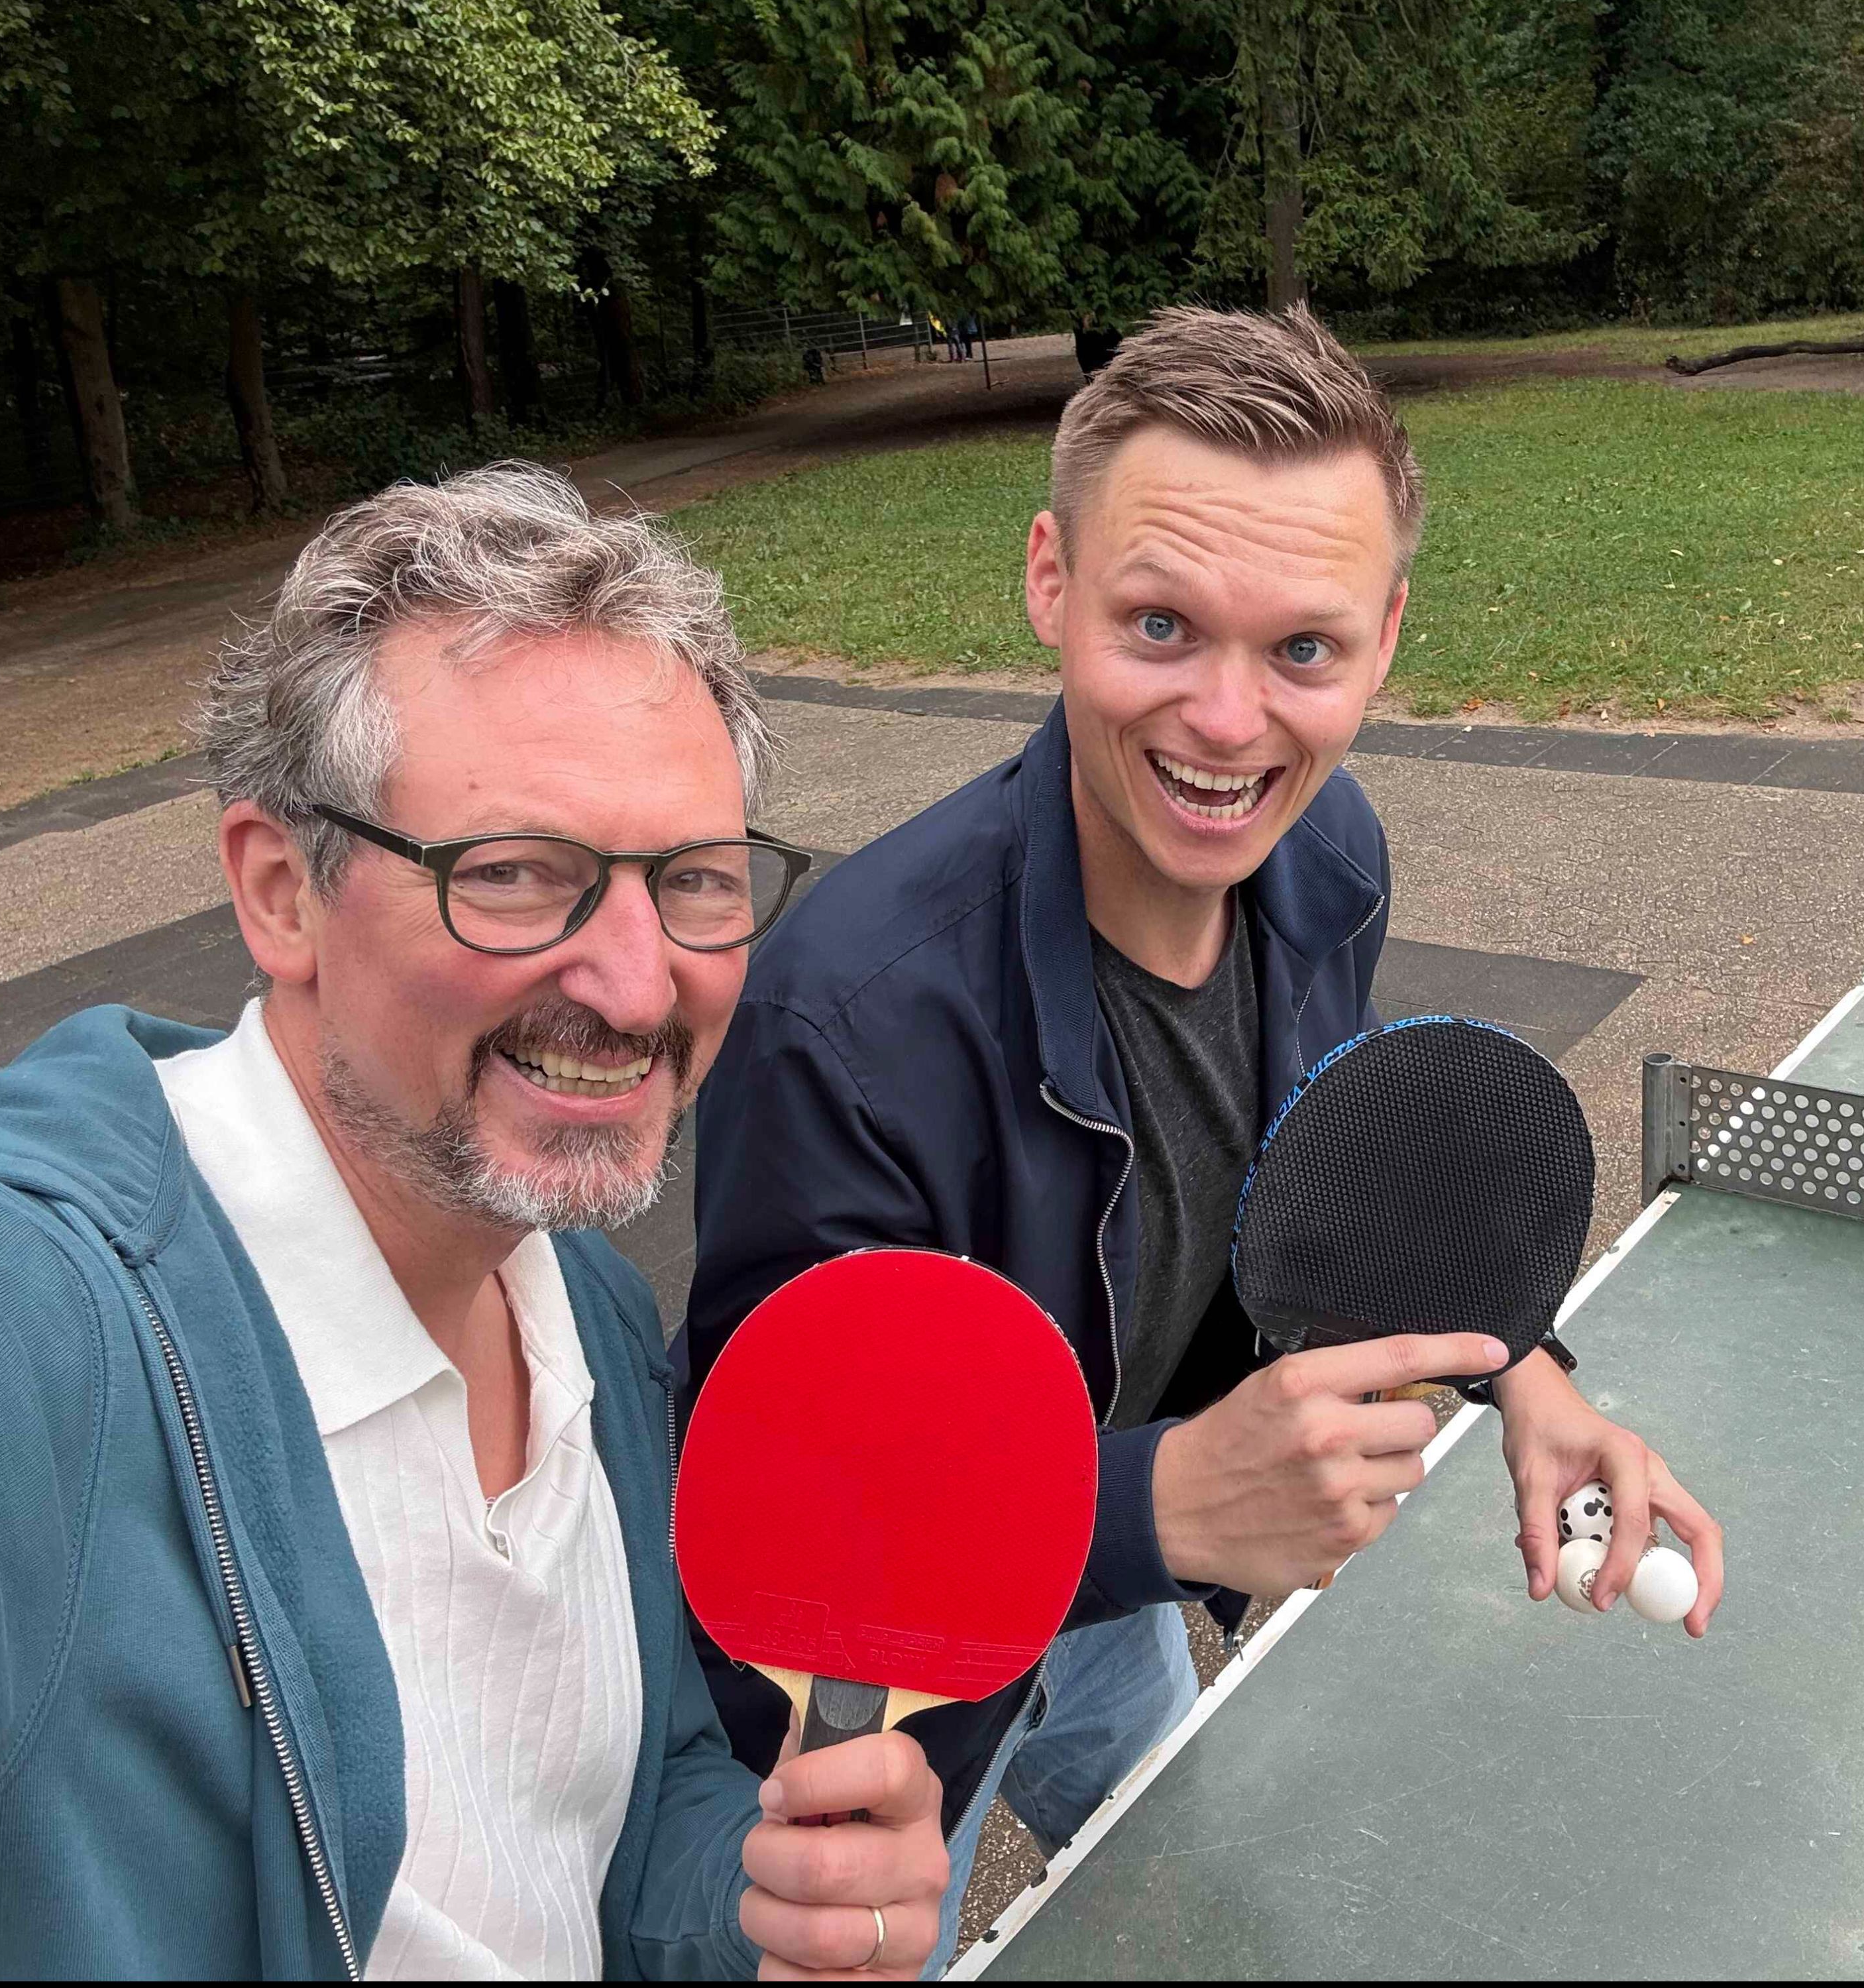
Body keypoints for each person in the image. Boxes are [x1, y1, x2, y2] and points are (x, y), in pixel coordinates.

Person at [679, 305, 1725, 1971]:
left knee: (1184, 1870)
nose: (1230, 725)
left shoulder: (1327, 860)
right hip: (905, 1684)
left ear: (1386, 637)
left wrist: (1524, 1369)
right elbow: (777, 1507)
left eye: (1303, 650)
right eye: (1160, 624)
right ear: (1049, 582)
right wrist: (1163, 1507)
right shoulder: (846, 1025)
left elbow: (1329, 1154)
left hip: (1126, 1577)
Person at [0, 465, 948, 1980]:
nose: (641, 987)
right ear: (278, 893)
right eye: (515, 876)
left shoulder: (581, 1300)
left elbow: (612, 1829)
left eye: (696, 880)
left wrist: (758, 1902)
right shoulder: (1, 1324)